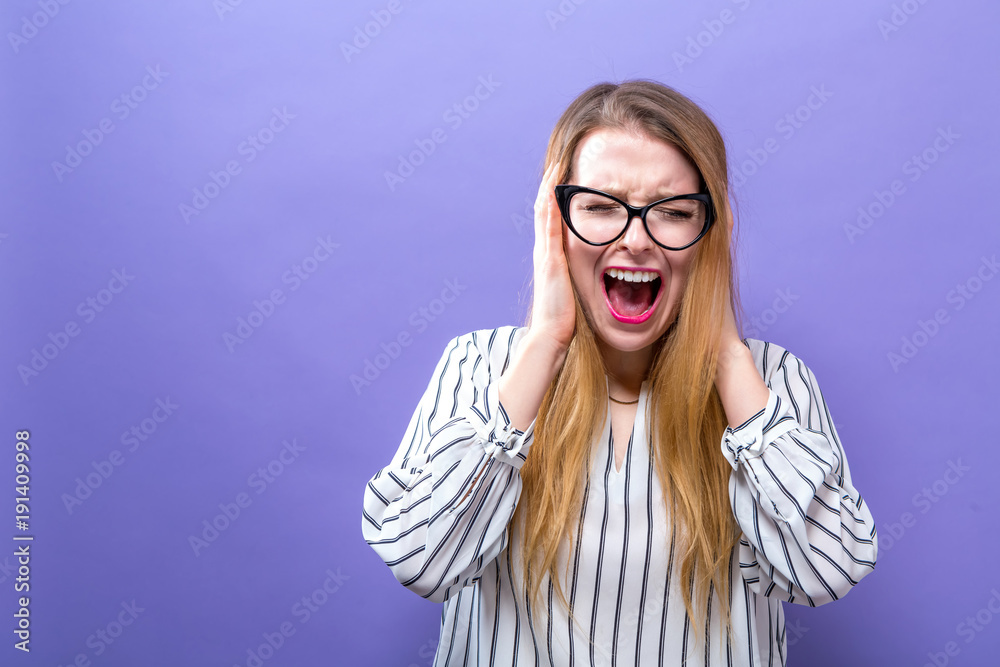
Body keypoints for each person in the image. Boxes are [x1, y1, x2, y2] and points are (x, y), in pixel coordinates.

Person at [362, 80, 878, 666]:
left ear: (711, 232)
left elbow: (828, 572)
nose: (635, 240)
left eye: (675, 213)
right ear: (555, 224)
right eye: (600, 208)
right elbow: (420, 560)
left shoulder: (773, 382)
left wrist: (729, 356)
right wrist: (546, 343)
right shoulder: (480, 367)